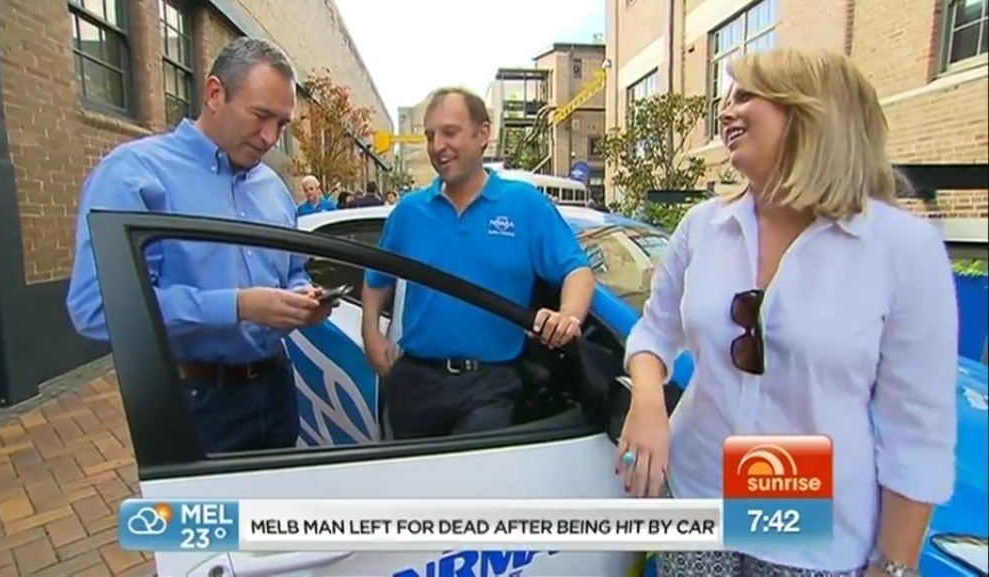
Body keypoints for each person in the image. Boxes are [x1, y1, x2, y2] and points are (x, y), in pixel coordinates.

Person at [617, 49, 957, 577]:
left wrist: (894, 565)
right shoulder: (702, 227)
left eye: (746, 96)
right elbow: (654, 333)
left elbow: (917, 431)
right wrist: (647, 402)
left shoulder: (902, 247)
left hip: (813, 533)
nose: (726, 111)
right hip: (698, 495)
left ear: (812, 111)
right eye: (726, 98)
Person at [66, 38, 335, 454]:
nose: (270, 137)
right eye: (260, 116)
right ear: (214, 93)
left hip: (277, 387)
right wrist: (238, 306)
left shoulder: (274, 188)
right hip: (195, 400)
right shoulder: (133, 175)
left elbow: (293, 270)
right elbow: (97, 308)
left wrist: (302, 297)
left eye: (282, 125)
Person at [360, 87, 595, 439]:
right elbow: (377, 278)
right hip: (415, 384)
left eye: (450, 132)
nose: (438, 146)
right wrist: (370, 332)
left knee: (471, 473)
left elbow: (576, 270)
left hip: (491, 386)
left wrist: (569, 316)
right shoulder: (409, 213)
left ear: (483, 133)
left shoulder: (525, 206)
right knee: (415, 475)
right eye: (430, 136)